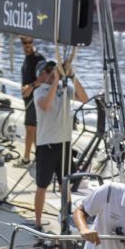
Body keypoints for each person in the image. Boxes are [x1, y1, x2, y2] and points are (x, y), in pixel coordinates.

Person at [33, 59, 87, 231]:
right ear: (41, 76)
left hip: (63, 144)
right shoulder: (39, 91)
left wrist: (72, 76)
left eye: (52, 69)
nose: (51, 72)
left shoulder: (65, 89)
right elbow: (46, 106)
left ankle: (66, 217)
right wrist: (56, 80)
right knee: (42, 186)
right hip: (46, 145)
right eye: (48, 70)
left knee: (66, 184)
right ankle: (38, 222)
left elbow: (84, 99)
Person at [15, 35, 45, 167]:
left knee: (30, 129)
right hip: (28, 99)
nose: (27, 44)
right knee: (34, 129)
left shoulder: (38, 58)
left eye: (29, 42)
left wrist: (31, 87)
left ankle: (26, 159)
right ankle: (39, 157)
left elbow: (45, 77)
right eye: (24, 42)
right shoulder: (27, 58)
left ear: (33, 42)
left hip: (35, 98)